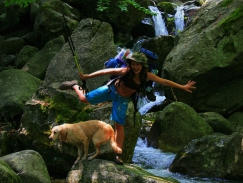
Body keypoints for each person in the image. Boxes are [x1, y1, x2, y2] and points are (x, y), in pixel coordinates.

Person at [59, 51, 196, 164]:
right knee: (83, 99)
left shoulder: (146, 76)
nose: (135, 67)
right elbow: (108, 71)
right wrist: (87, 76)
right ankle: (74, 86)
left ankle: (118, 154)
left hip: (122, 100)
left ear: (143, 66)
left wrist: (182, 87)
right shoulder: (125, 71)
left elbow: (164, 82)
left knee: (119, 126)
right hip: (110, 90)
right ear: (130, 64)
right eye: (133, 64)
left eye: (138, 65)